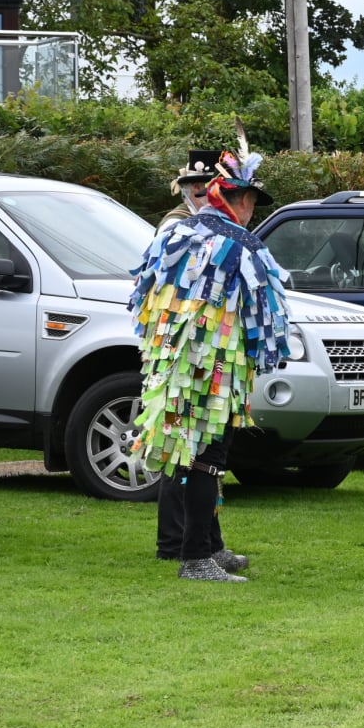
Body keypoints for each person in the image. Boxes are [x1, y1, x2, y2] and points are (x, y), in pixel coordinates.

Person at [128, 146, 290, 583]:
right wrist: (265, 356)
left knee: (189, 455)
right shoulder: (243, 246)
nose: (253, 210)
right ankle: (195, 558)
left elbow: (144, 294)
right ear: (241, 200)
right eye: (253, 201)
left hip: (175, 364)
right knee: (206, 459)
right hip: (215, 371)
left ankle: (206, 548)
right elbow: (266, 317)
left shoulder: (176, 235)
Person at [153, 147, 233, 568]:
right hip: (181, 348)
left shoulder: (211, 225)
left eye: (208, 187)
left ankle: (207, 541)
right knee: (181, 446)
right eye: (194, 187)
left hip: (205, 347)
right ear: (183, 189)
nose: (201, 193)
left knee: (204, 454)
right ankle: (174, 541)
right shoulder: (176, 227)